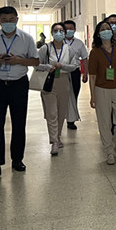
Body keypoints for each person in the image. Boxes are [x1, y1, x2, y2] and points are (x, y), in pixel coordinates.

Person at [0, 6, 39, 179]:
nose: (8, 23)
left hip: (19, 84)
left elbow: (35, 61)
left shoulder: (27, 38)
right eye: (4, 20)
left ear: (17, 20)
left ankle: (17, 160)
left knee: (19, 123)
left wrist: (18, 60)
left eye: (11, 20)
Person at [88, 21, 116, 165]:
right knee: (104, 122)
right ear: (98, 34)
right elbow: (92, 76)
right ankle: (109, 151)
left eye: (108, 28)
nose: (107, 31)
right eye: (103, 29)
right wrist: (92, 95)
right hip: (101, 90)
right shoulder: (95, 52)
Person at [37, 23, 79, 155]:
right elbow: (37, 64)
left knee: (61, 112)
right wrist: (48, 66)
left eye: (61, 30)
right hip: (49, 82)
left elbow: (74, 66)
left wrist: (63, 66)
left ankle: (58, 136)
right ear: (52, 33)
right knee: (52, 113)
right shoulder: (45, 48)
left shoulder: (69, 49)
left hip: (64, 81)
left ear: (65, 33)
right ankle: (54, 141)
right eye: (56, 30)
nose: (58, 33)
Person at [63, 20, 89, 130]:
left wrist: (86, 73)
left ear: (74, 30)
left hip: (74, 72)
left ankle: (71, 120)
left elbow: (85, 58)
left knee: (74, 95)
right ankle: (61, 117)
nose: (69, 30)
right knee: (62, 96)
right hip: (62, 72)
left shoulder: (79, 43)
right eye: (66, 29)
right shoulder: (58, 42)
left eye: (71, 28)